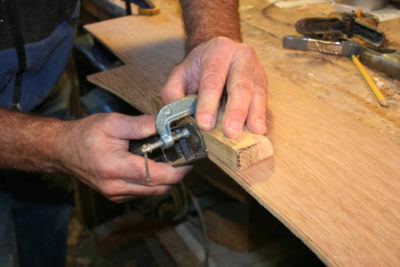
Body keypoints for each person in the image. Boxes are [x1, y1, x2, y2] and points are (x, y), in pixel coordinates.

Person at [0, 0, 268, 266]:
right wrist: (55, 146)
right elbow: (54, 146)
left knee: (47, 214)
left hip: (45, 77)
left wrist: (212, 37)